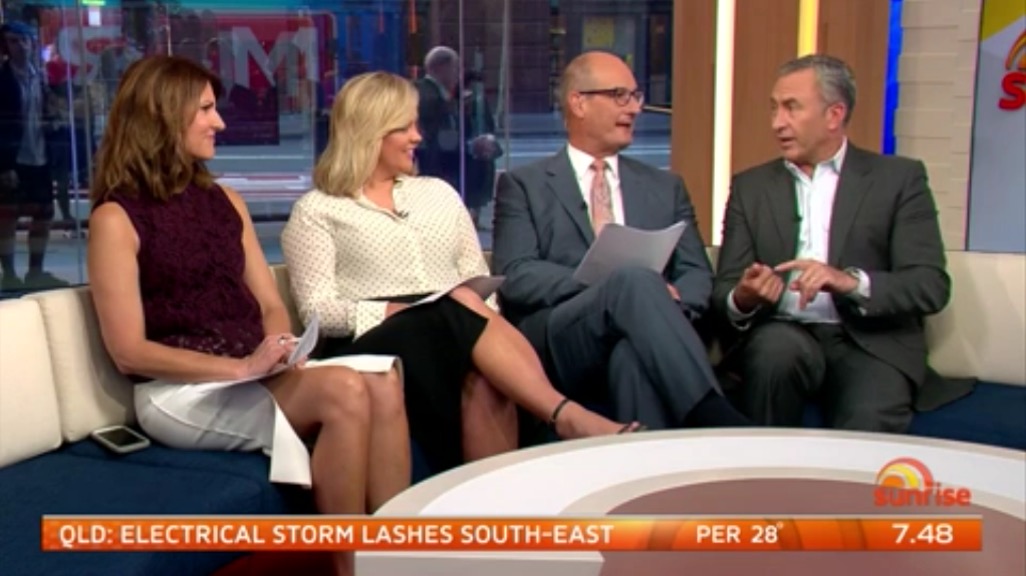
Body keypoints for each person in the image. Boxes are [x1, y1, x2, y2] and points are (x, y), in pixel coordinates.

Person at [87, 56, 409, 576]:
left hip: (253, 371)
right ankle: (349, 568)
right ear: (163, 115)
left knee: (385, 379)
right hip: (178, 392)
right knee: (346, 390)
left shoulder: (226, 201)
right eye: (206, 110)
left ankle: (396, 557)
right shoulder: (115, 218)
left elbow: (269, 304)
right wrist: (240, 368)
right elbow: (129, 352)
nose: (219, 122)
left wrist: (281, 349)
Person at [281, 71, 640, 476]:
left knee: (483, 365)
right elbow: (317, 310)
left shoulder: (439, 193)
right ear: (370, 132)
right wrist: (396, 311)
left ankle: (493, 507)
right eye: (405, 127)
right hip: (372, 345)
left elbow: (478, 278)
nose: (418, 137)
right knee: (458, 305)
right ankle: (566, 416)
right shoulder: (318, 210)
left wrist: (479, 325)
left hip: (455, 329)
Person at [492, 50, 749, 430]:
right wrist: (609, 286)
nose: (634, 108)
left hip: (651, 330)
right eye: (619, 95)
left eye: (635, 96)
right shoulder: (523, 185)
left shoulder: (665, 187)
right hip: (564, 334)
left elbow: (696, 273)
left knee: (632, 354)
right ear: (579, 102)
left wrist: (668, 303)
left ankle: (645, 460)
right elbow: (517, 274)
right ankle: (713, 415)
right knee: (633, 280)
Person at [712, 54, 952, 433]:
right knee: (772, 356)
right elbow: (724, 289)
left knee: (866, 418)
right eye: (774, 108)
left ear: (834, 115)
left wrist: (849, 282)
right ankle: (765, 468)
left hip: (870, 340)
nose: (777, 123)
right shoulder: (750, 187)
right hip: (783, 331)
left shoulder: (898, 179)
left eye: (792, 107)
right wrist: (744, 297)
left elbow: (929, 285)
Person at [0, 21, 66, 292]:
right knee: (8, 217)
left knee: (44, 213)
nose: (20, 46)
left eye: (23, 40)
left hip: (40, 155)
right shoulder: (2, 79)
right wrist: (3, 165)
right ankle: (9, 274)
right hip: (13, 158)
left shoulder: (40, 76)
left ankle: (35, 271)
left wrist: (53, 120)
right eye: (13, 41)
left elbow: (48, 112)